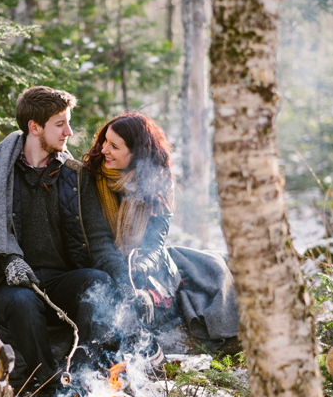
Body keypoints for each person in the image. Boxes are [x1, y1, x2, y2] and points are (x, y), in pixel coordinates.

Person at [0, 86, 128, 397]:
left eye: (68, 123)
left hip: (59, 280)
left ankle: (82, 377)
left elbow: (98, 240)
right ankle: (46, 384)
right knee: (22, 303)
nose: (69, 132)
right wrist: (9, 260)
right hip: (10, 285)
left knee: (96, 282)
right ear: (34, 127)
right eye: (60, 124)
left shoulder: (75, 177)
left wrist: (125, 282)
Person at [82, 113, 240, 349]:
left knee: (213, 271)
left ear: (136, 153)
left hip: (145, 265)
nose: (104, 149)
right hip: (103, 262)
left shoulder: (157, 185)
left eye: (114, 146)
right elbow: (99, 242)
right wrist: (123, 275)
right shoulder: (90, 178)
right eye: (104, 141)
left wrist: (142, 267)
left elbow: (155, 243)